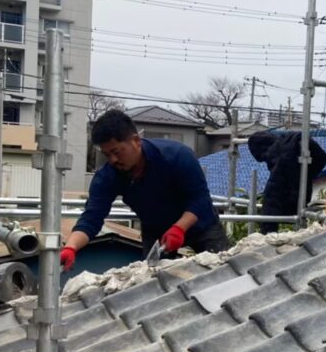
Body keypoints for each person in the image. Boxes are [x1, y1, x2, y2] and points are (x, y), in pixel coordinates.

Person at [60, 110, 228, 271]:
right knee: (151, 280)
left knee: (224, 269)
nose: (112, 160)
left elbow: (200, 199)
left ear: (136, 140)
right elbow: (92, 218)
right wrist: (71, 247)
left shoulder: (176, 155)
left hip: (200, 224)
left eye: (116, 152)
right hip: (156, 230)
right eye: (106, 154)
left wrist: (179, 228)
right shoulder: (107, 176)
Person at [247, 130, 326, 234]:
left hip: (292, 201)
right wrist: (303, 177)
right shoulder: (287, 147)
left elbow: (272, 197)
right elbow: (322, 159)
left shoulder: (279, 158)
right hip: (300, 199)